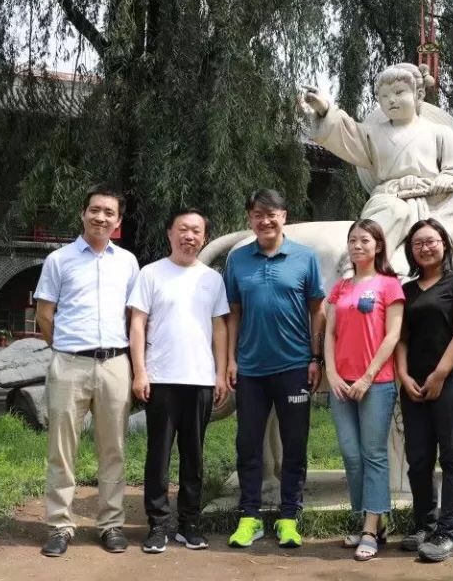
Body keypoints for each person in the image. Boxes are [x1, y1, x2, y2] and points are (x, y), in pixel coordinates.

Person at [34, 185, 140, 557]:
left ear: (118, 221)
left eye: (109, 212)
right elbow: (44, 314)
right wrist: (64, 349)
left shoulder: (127, 262)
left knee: (114, 448)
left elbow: (133, 316)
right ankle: (60, 526)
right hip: (69, 363)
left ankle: (110, 524)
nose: (101, 217)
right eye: (95, 210)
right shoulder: (58, 260)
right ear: (83, 213)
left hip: (115, 364)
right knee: (62, 449)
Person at [300, 63, 453, 251]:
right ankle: (367, 259)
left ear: (418, 94)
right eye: (384, 96)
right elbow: (345, 131)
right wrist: (324, 108)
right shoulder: (371, 133)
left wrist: (446, 179)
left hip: (433, 198)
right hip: (391, 197)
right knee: (397, 211)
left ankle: (438, 233)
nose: (391, 100)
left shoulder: (440, 132)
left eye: (399, 92)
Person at [224, 189, 325, 549]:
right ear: (250, 219)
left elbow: (317, 310)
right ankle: (249, 516)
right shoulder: (237, 260)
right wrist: (231, 359)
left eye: (272, 214)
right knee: (248, 443)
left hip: (294, 366)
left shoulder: (305, 257)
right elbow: (233, 313)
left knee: (294, 444)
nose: (265, 221)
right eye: (258, 214)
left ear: (284, 215)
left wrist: (315, 358)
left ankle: (289, 517)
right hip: (251, 369)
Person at [127, 208, 230, 554]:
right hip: (161, 379)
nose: (190, 236)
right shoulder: (151, 274)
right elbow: (137, 324)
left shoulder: (212, 279)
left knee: (194, 456)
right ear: (170, 233)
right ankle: (157, 524)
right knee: (158, 455)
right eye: (183, 229)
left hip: (200, 380)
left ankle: (189, 523)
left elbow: (219, 327)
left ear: (204, 237)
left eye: (196, 231)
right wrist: (140, 371)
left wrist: (220, 373)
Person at [395, 218, 453, 563]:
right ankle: (424, 525)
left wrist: (440, 374)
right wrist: (403, 375)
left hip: (452, 382)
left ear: (444, 243)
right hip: (413, 387)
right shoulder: (407, 290)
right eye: (418, 243)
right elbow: (401, 339)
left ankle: (447, 533)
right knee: (418, 460)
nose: (425, 247)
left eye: (431, 241)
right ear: (410, 251)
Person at [323, 219, 404, 561]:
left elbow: (393, 335)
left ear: (378, 246)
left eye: (364, 240)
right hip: (340, 384)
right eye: (352, 240)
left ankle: (369, 529)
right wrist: (331, 373)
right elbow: (329, 334)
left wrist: (367, 377)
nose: (357, 246)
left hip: (376, 384)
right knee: (351, 455)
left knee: (373, 455)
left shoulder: (389, 285)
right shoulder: (340, 288)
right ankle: (375, 521)